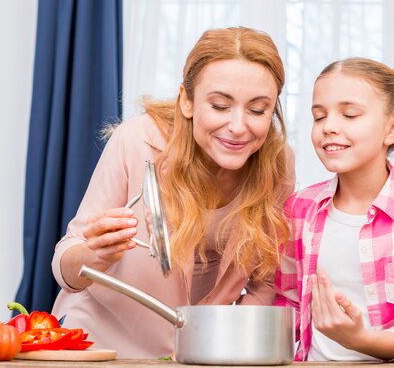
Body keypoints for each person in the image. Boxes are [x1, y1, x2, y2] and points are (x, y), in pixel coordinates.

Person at [51, 26, 294, 358]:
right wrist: (92, 255)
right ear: (187, 100)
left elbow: (265, 283)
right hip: (98, 345)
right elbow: (66, 265)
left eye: (257, 110)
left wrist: (224, 345)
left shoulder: (277, 166)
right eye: (221, 106)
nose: (238, 126)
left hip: (197, 356)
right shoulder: (137, 141)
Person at [274, 58, 394, 362]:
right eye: (319, 117)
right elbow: (286, 308)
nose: (329, 127)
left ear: (392, 129)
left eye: (349, 114)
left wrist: (359, 339)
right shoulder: (297, 208)